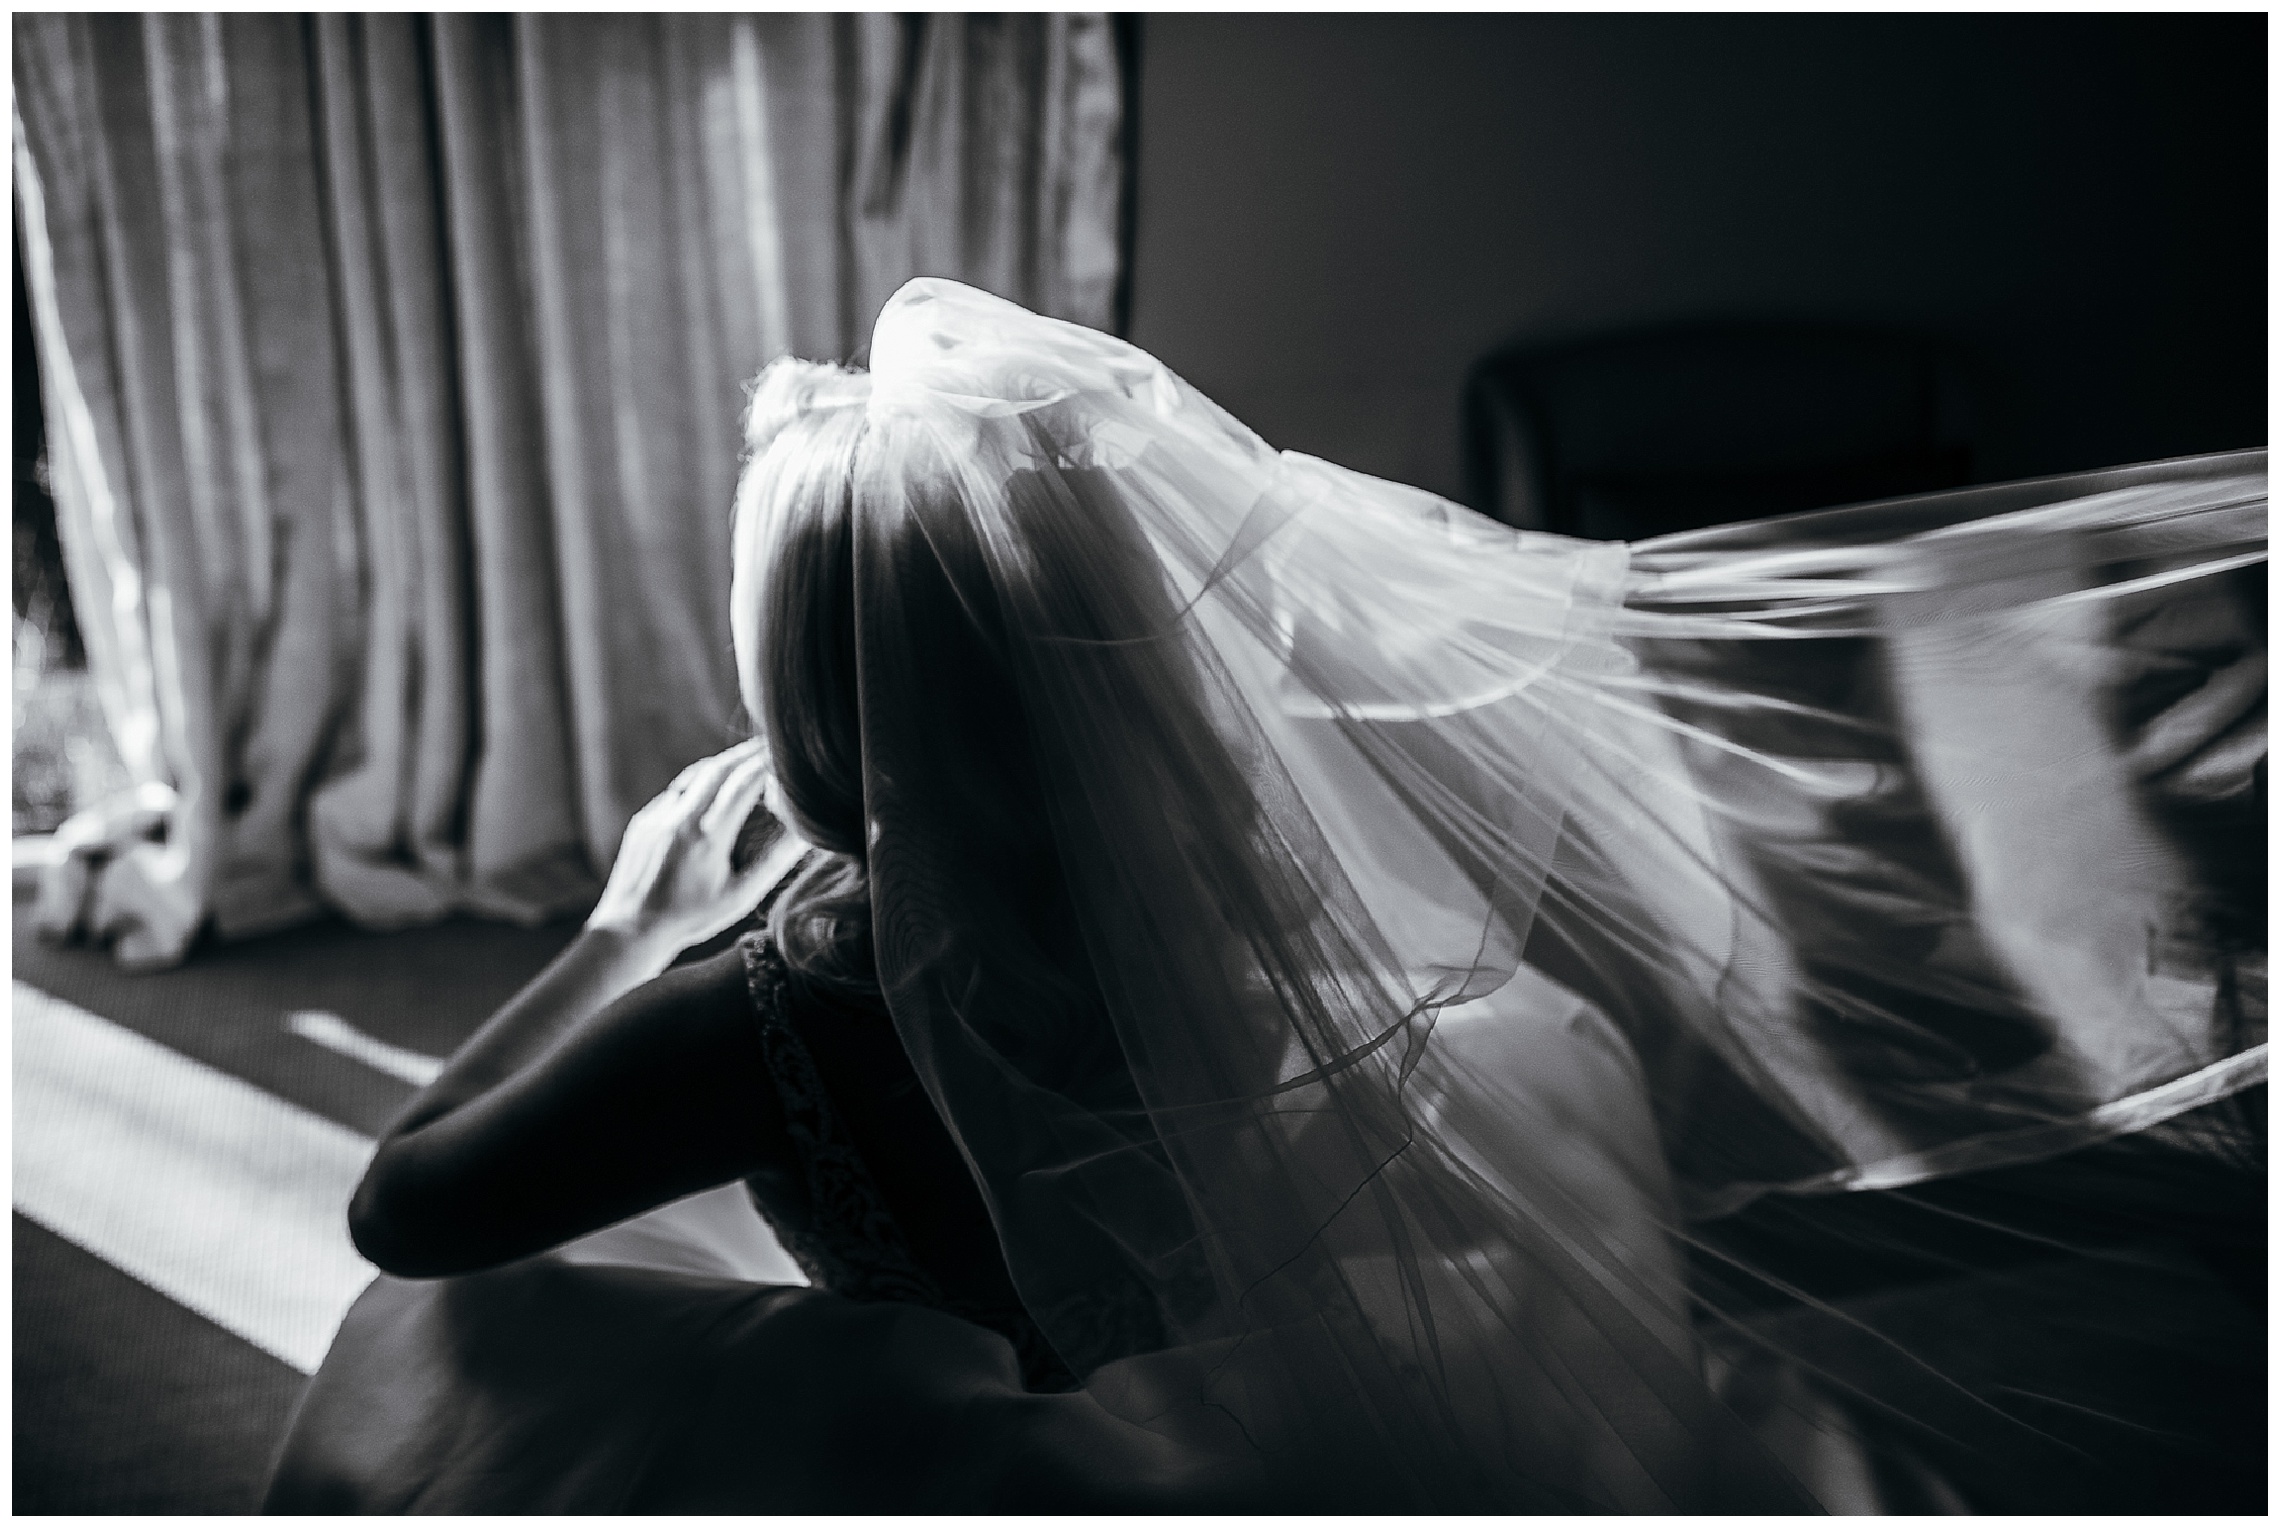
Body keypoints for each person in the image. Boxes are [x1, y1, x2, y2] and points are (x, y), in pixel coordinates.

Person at [267, 279, 2265, 1514]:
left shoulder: (771, 1009)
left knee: (480, 1340)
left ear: (808, 700)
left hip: (950, 1456)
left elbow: (410, 1204)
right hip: (1203, 1405)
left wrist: (623, 922)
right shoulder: (1218, 894)